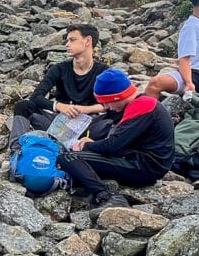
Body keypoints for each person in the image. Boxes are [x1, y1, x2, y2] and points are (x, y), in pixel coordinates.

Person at [59, 69, 174, 208]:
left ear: (116, 97)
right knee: (78, 162)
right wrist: (94, 145)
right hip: (144, 161)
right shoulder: (143, 102)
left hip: (144, 167)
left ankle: (106, 195)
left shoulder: (142, 107)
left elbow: (112, 146)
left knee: (69, 157)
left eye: (107, 103)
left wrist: (85, 146)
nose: (107, 107)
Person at [9, 23, 109, 147]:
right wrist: (59, 106)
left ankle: (109, 148)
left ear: (88, 41)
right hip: (59, 125)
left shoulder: (104, 71)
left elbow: (112, 103)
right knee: (23, 106)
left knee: (120, 113)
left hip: (90, 125)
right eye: (67, 40)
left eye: (72, 40)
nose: (67, 44)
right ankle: (17, 149)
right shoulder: (60, 69)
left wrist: (86, 109)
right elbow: (36, 97)